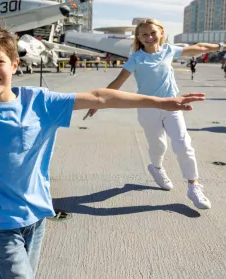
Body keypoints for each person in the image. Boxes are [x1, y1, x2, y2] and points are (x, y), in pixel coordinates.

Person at [0, 23, 205, 279]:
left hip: (37, 213)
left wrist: (161, 100)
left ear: (14, 64)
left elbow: (101, 97)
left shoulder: (40, 103)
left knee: (18, 274)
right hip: (0, 220)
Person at [84, 18, 224, 210]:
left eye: (152, 33)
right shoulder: (136, 58)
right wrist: (98, 102)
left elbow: (198, 47)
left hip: (172, 104)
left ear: (161, 33)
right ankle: (156, 168)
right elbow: (118, 83)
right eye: (144, 34)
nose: (149, 37)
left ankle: (193, 186)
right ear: (139, 38)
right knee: (159, 146)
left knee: (184, 144)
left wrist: (221, 45)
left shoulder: (169, 50)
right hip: (147, 107)